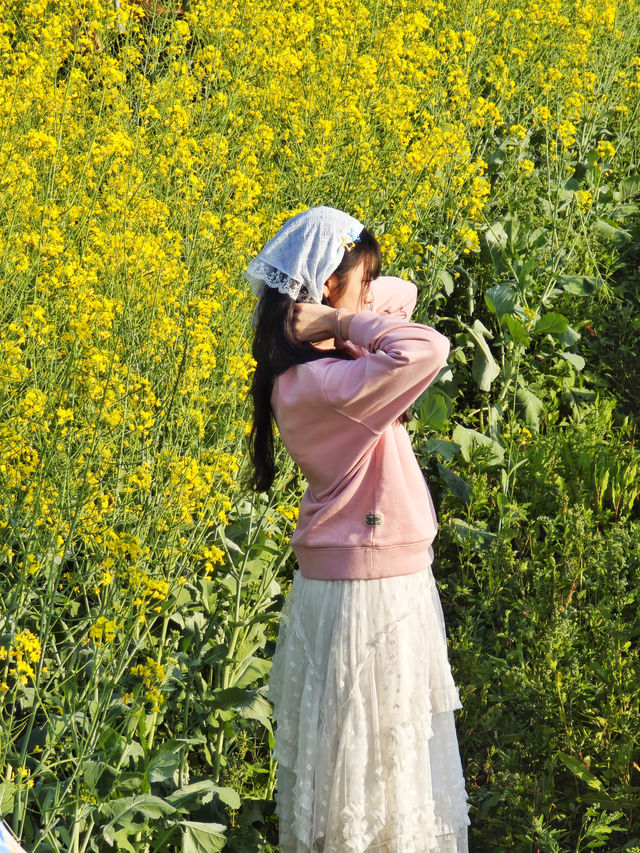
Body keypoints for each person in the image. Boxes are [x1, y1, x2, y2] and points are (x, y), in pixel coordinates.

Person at [245, 206, 470, 853]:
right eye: (359, 284)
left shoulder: (315, 371)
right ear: (321, 293)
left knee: (374, 785)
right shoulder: (330, 383)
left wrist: (337, 305)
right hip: (371, 601)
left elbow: (404, 295)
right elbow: (427, 344)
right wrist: (342, 317)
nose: (375, 299)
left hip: (357, 587)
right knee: (378, 796)